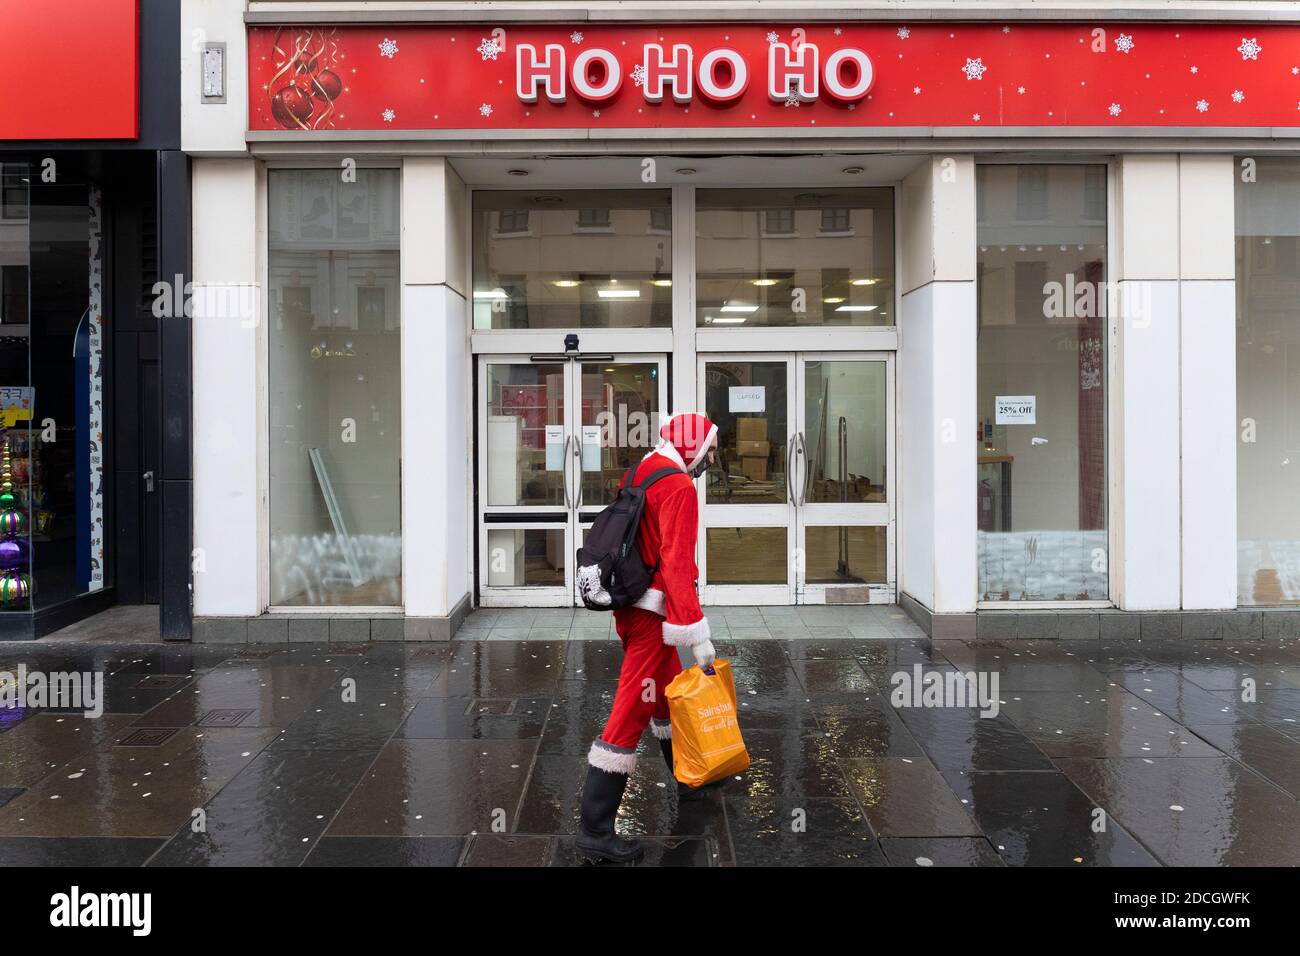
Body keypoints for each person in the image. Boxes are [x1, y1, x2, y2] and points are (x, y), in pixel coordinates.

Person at [575, 411, 719, 864]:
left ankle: (688, 778)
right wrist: (697, 636)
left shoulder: (643, 469)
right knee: (629, 713)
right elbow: (677, 564)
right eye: (711, 449)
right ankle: (595, 830)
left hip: (631, 605)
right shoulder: (678, 485)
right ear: (693, 446)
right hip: (652, 615)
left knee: (667, 694)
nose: (713, 458)